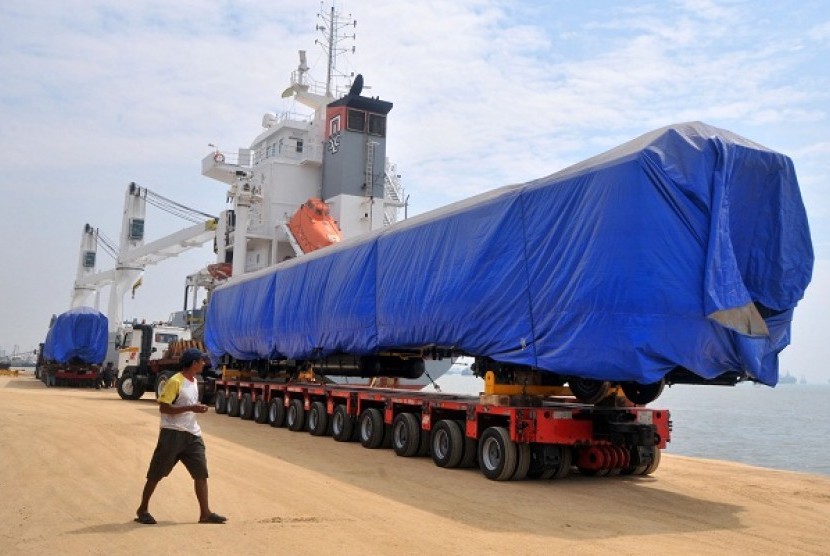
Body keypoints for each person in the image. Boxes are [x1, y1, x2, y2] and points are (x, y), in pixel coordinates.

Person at [135, 348, 226, 525]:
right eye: (201, 361)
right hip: (172, 433)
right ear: (193, 363)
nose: (203, 363)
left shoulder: (194, 381)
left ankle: (205, 513)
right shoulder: (174, 381)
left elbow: (186, 405)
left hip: (193, 434)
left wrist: (195, 408)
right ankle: (143, 509)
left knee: (201, 473)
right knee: (156, 473)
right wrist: (191, 408)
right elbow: (164, 408)